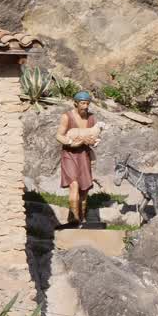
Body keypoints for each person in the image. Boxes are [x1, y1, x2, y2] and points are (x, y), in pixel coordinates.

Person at [56, 90, 98, 226]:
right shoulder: (67, 117)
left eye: (87, 103)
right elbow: (59, 135)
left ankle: (82, 218)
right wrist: (70, 142)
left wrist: (93, 141)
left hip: (84, 155)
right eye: (82, 103)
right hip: (70, 154)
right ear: (75, 103)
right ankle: (74, 217)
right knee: (74, 184)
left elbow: (96, 137)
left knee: (84, 189)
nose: (85, 106)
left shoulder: (91, 118)